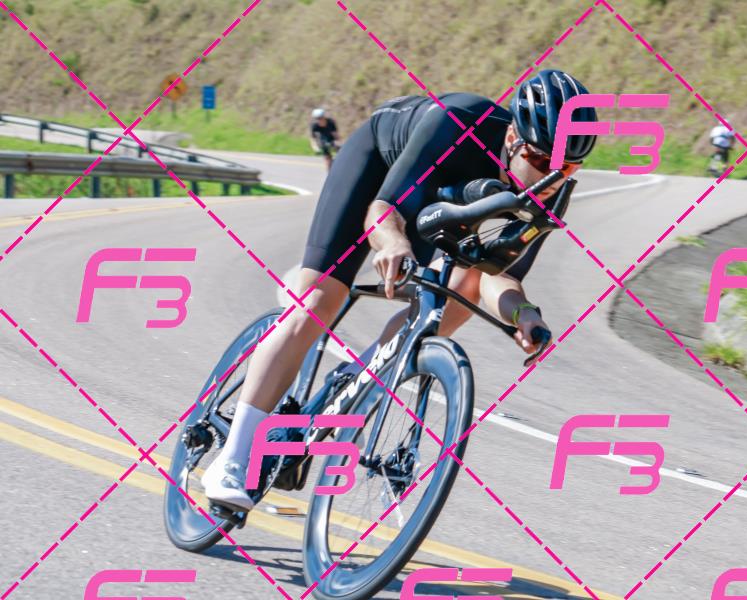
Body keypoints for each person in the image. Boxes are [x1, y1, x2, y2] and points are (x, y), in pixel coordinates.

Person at [203, 69, 598, 511]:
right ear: (512, 138)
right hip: (380, 173)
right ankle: (231, 459)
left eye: (569, 168)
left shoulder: (551, 193)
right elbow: (383, 208)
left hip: (441, 205)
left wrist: (523, 314)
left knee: (463, 290)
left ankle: (362, 378)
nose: (553, 177)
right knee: (318, 301)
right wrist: (392, 243)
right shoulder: (458, 120)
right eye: (541, 161)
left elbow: (497, 273)